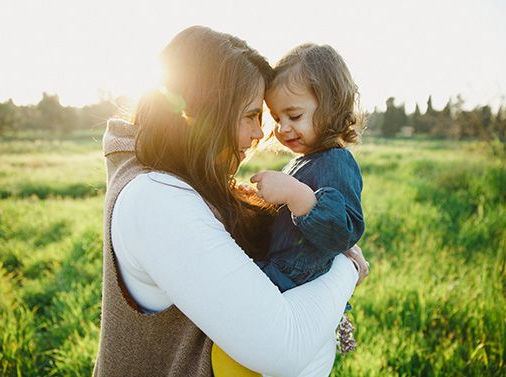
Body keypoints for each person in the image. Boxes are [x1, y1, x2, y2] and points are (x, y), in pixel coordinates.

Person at [92, 26, 368, 377]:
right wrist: (347, 268)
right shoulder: (156, 199)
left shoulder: (174, 179)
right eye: (252, 115)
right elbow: (283, 346)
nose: (260, 133)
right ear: (208, 113)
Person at [214, 43, 366, 374]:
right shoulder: (305, 161)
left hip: (295, 282)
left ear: (331, 105)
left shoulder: (337, 161)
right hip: (281, 273)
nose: (282, 129)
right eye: (277, 117)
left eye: (294, 116)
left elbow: (346, 228)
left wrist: (296, 194)